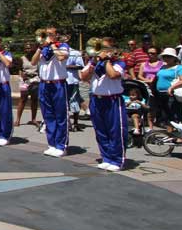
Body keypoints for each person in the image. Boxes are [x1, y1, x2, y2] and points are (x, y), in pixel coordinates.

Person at [80, 38, 127, 171]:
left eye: (104, 48)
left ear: (112, 50)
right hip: (96, 99)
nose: (100, 51)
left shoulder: (119, 63)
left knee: (115, 131)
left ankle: (117, 160)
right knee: (100, 130)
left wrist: (106, 60)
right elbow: (83, 77)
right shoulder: (94, 62)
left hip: (112, 100)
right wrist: (93, 64)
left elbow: (113, 75)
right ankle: (106, 157)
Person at [33, 28, 70, 157]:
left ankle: (61, 145)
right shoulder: (43, 48)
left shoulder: (63, 46)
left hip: (58, 83)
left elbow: (61, 57)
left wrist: (52, 45)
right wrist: (39, 48)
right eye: (45, 35)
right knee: (48, 116)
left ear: (56, 35)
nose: (47, 37)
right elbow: (33, 61)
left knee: (60, 116)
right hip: (44, 84)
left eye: (50, 34)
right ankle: (52, 144)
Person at [155, 48, 182, 128]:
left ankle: (178, 135)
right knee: (164, 115)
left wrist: (172, 87)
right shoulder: (162, 67)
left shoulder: (179, 68)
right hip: (161, 94)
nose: (166, 58)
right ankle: (169, 133)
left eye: (169, 56)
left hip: (172, 94)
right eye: (165, 56)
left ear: (174, 58)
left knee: (173, 115)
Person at [135, 48, 164, 128]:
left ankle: (159, 120)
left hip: (158, 85)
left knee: (159, 104)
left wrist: (154, 80)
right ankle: (148, 122)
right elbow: (139, 75)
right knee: (149, 105)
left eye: (153, 53)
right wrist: (147, 80)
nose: (150, 55)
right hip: (147, 86)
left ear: (157, 54)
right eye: (149, 53)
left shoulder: (162, 64)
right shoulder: (143, 64)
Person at [15, 41, 39, 127]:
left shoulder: (37, 58)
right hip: (25, 80)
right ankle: (18, 119)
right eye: (26, 48)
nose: (28, 49)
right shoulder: (22, 59)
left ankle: (33, 119)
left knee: (34, 100)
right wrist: (23, 77)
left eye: (29, 48)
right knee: (23, 99)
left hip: (35, 79)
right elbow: (20, 70)